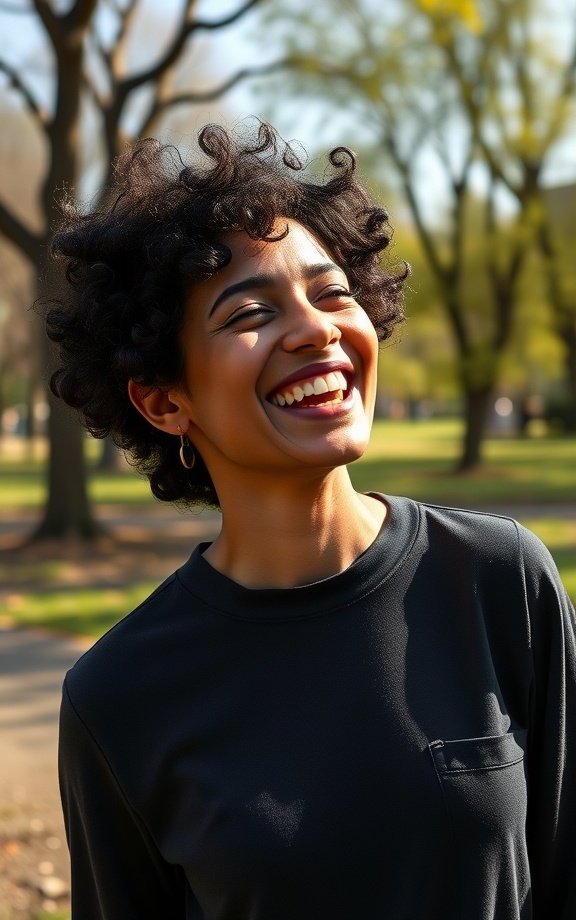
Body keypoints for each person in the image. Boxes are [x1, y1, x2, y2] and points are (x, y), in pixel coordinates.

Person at [47, 122, 575, 920]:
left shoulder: (499, 579)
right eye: (249, 313)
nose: (317, 328)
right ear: (163, 400)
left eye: (332, 293)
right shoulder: (118, 696)